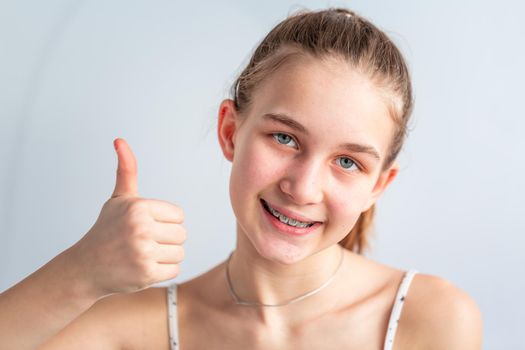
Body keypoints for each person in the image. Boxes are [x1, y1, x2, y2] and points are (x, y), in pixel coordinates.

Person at [0, 7, 483, 350]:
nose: (304, 188)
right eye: (285, 139)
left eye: (348, 162)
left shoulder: (430, 318)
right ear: (230, 131)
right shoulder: (137, 327)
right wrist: (82, 272)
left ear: (378, 185)